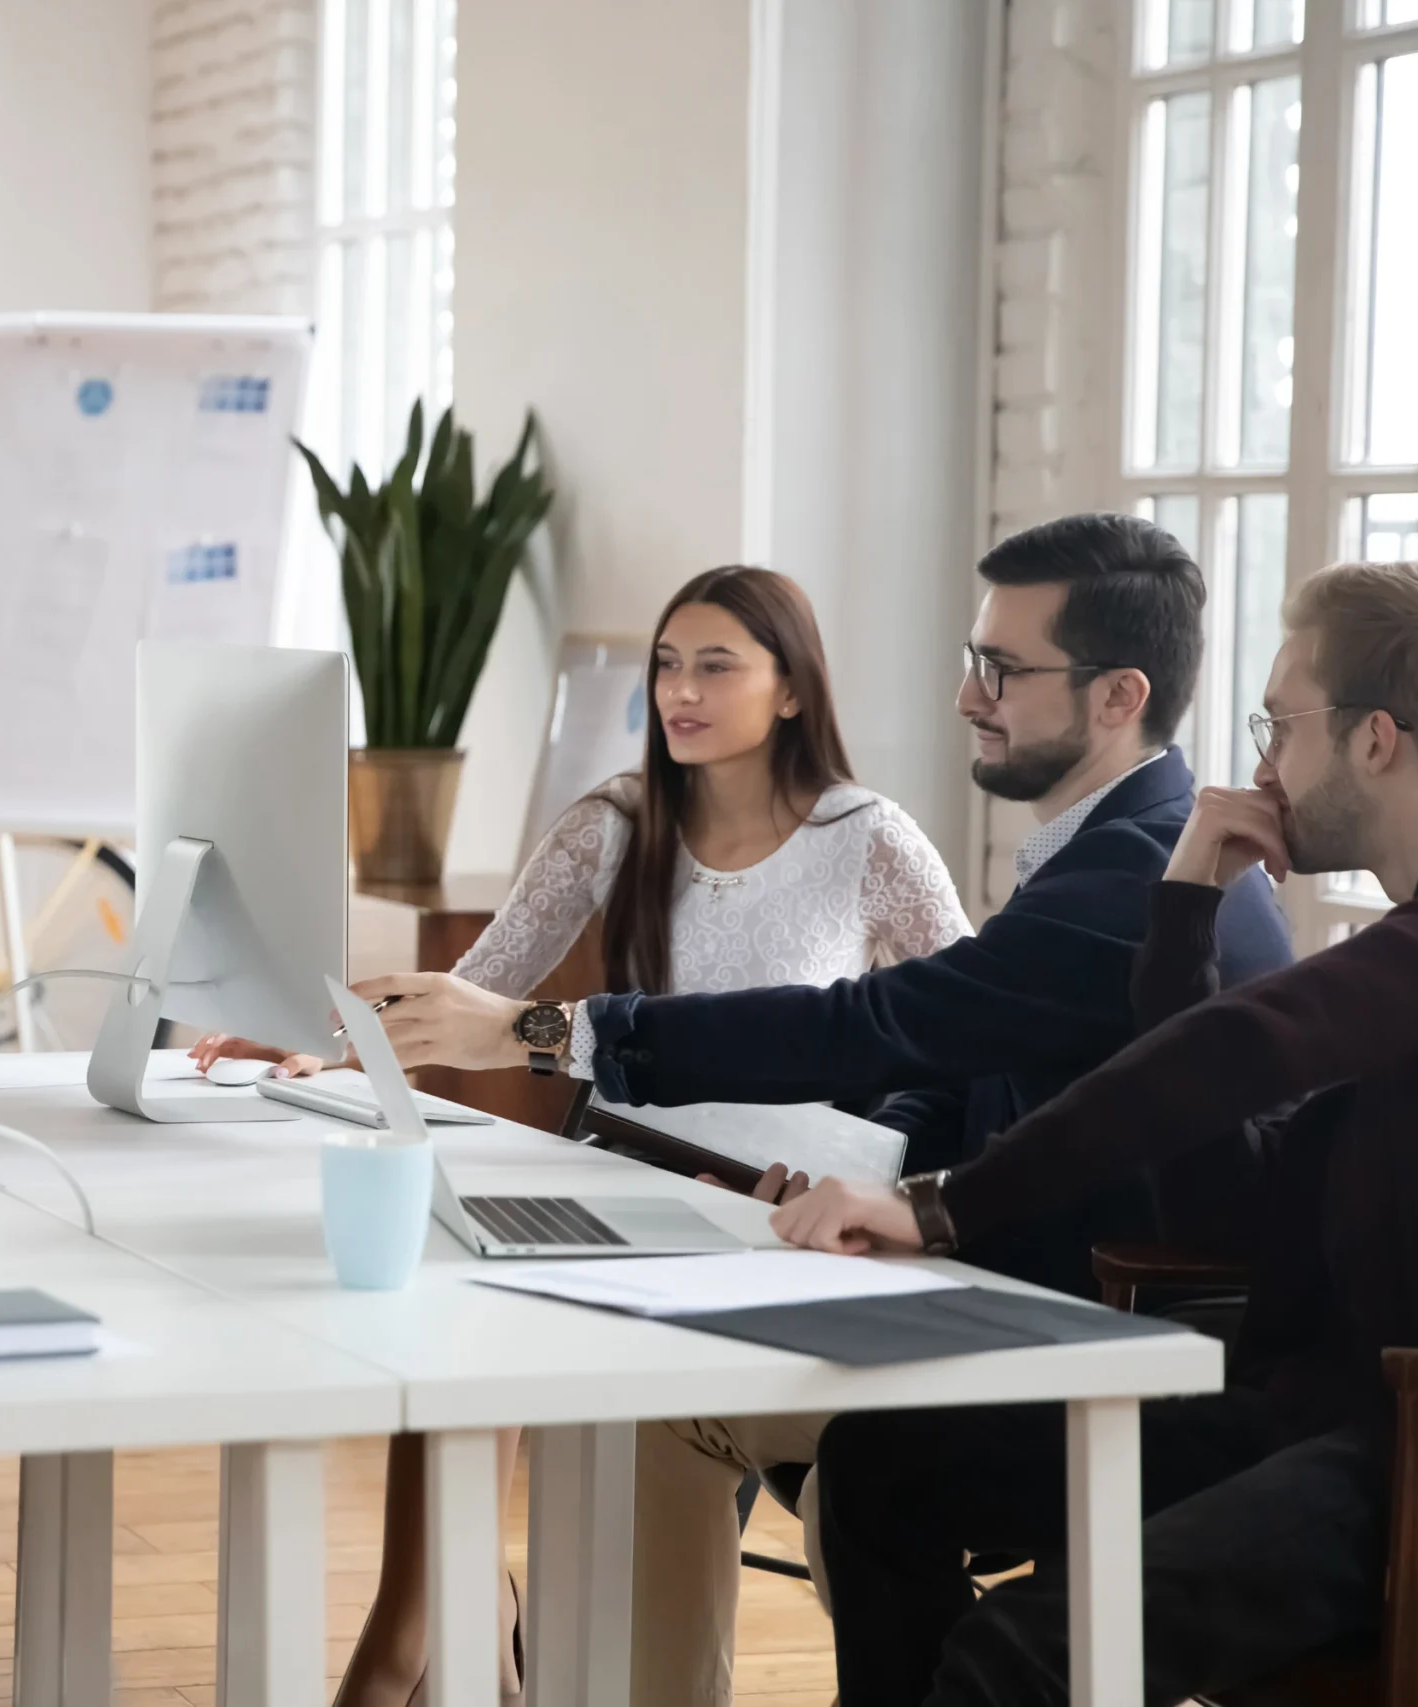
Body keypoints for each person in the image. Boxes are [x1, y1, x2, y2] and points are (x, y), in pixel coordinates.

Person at [344, 515, 1296, 1706]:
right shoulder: (1116, 849)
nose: (963, 694)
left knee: (661, 1401)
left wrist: (554, 1029)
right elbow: (958, 1079)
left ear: (1118, 697)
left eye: (1000, 670)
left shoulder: (1136, 875)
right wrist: (851, 1173)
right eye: (971, 656)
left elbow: (872, 1020)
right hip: (1001, 1291)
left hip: (1088, 1336)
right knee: (648, 1386)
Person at [202, 566, 971, 1707]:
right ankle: (448, 1622)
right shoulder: (616, 819)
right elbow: (476, 994)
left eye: (716, 664)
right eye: (668, 663)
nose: (680, 690)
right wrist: (334, 1047)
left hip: (780, 1218)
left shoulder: (872, 841)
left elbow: (963, 1035)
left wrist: (892, 1161)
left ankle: (452, 1631)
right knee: (465, 1303)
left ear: (794, 690)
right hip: (630, 1192)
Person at [777, 558, 1418, 1707]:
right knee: (886, 1466)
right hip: (1320, 1413)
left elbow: (1249, 1047)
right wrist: (1181, 909)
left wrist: (940, 1205)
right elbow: (1232, 1193)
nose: (1261, 761)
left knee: (1027, 1652)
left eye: (1279, 723)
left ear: (1378, 737)